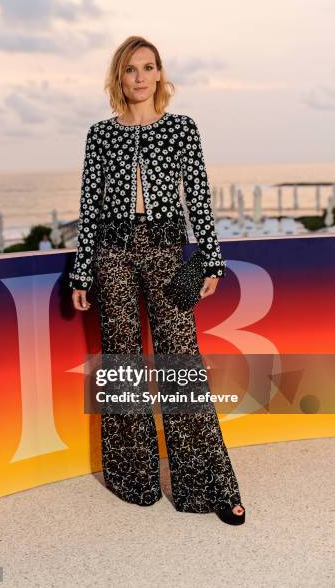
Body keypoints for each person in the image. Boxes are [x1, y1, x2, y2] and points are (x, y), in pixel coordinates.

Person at [69, 35, 246, 525]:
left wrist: (211, 258)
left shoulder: (183, 129)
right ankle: (134, 479)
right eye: (131, 69)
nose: (141, 77)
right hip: (111, 252)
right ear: (119, 78)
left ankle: (208, 486)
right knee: (123, 362)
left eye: (149, 67)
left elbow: (199, 199)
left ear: (160, 75)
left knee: (179, 362)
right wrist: (83, 268)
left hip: (167, 249)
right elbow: (89, 206)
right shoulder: (100, 135)